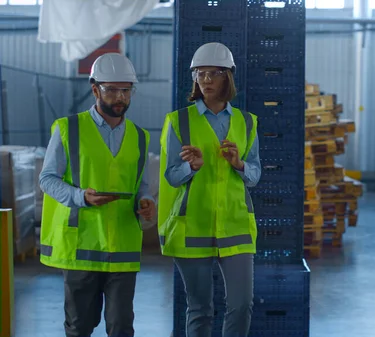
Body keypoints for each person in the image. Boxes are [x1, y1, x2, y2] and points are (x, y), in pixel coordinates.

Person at [38, 52, 156, 337]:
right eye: (112, 89)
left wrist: (147, 203)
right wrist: (81, 197)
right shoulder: (68, 129)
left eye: (126, 90)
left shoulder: (140, 136)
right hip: (82, 246)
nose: (120, 97)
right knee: (80, 326)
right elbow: (47, 179)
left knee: (121, 326)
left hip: (122, 247)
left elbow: (141, 185)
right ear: (95, 89)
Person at [158, 42, 261, 337]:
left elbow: (254, 175)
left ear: (227, 77)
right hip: (193, 226)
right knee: (200, 308)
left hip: (236, 224)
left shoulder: (247, 122)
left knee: (242, 304)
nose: (205, 80)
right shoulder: (177, 121)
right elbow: (171, 177)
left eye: (213, 73)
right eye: (199, 74)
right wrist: (192, 167)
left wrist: (239, 164)